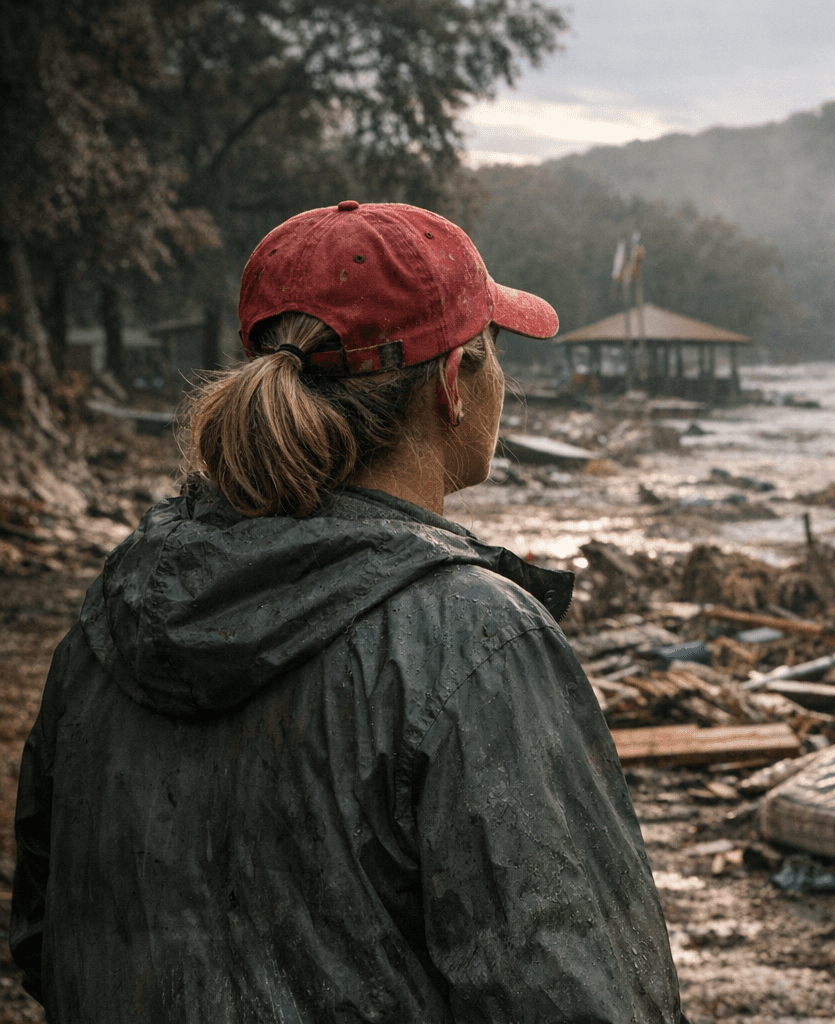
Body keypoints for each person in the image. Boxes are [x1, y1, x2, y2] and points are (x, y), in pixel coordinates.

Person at [10, 201, 686, 1022]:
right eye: (495, 351)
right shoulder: (475, 640)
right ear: (452, 386)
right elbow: (583, 999)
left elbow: (45, 937)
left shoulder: (119, 605)